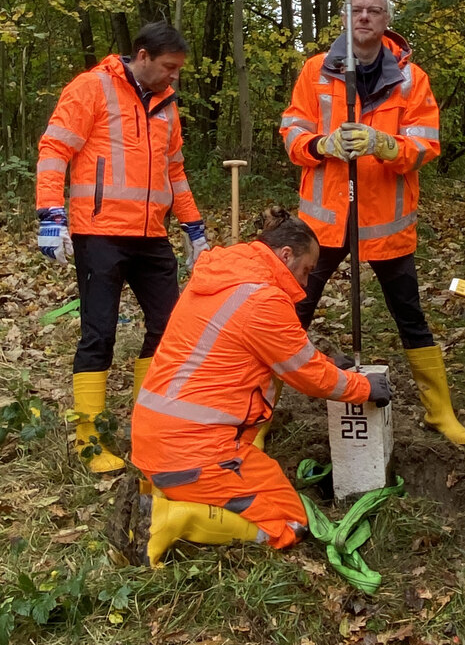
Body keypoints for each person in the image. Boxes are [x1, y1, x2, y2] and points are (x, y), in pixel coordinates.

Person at [126, 209, 392, 566]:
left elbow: (280, 352)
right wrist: (362, 388)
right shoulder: (264, 300)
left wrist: (328, 363)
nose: (307, 279)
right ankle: (173, 520)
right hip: (196, 452)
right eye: (306, 269)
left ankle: (171, 493)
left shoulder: (224, 276)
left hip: (158, 439)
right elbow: (307, 375)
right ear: (285, 255)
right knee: (290, 523)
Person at [279, 0, 465, 446]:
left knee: (409, 313)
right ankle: (259, 412)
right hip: (324, 223)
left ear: (387, 21)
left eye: (374, 11)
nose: (365, 17)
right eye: (357, 10)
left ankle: (439, 411)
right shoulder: (315, 71)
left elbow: (427, 145)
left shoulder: (412, 79)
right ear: (345, 18)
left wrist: (388, 145)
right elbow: (291, 130)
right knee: (291, 313)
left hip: (385, 222)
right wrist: (318, 145)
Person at [36, 22, 208, 473]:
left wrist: (193, 227)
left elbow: (175, 171)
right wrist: (50, 215)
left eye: (178, 70)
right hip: (99, 234)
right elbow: (54, 149)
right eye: (169, 67)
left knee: (169, 328)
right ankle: (88, 440)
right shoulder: (92, 88)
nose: (173, 77)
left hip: (151, 236)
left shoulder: (167, 105)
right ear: (143, 55)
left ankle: (146, 424)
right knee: (100, 333)